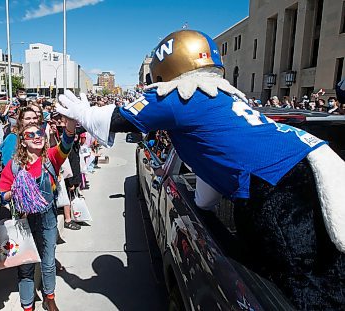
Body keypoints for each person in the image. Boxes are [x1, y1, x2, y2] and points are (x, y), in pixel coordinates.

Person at [57, 29, 345, 309]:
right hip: (302, 166)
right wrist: (202, 202)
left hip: (272, 184)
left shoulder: (181, 94)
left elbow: (122, 118)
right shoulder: (227, 96)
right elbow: (215, 159)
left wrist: (85, 114)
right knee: (328, 262)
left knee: (300, 278)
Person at [0, 118, 76, 311]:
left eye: (39, 133)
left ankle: (50, 298)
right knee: (25, 267)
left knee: (48, 263)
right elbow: (1, 194)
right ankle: (28, 306)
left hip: (47, 218)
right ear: (23, 141)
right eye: (30, 135)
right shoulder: (15, 166)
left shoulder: (51, 158)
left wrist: (71, 124)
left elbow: (66, 144)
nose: (36, 137)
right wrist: (14, 190)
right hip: (24, 223)